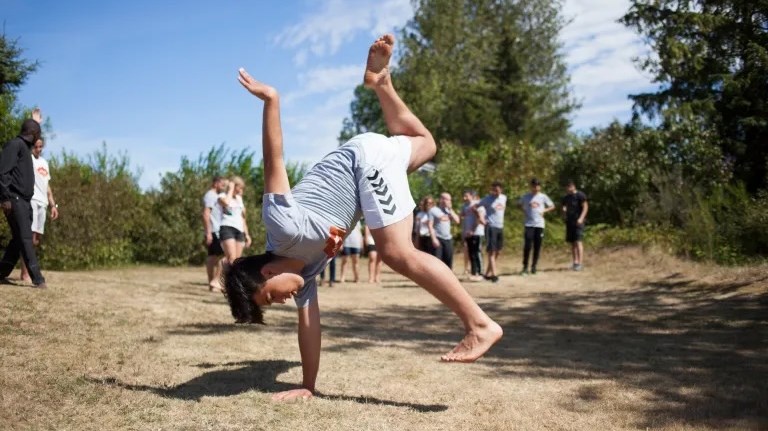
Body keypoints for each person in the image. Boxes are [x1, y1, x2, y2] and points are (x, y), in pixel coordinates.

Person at [224, 34, 502, 401]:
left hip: (362, 163)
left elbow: (273, 159)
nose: (281, 303)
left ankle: (480, 325)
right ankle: (381, 83)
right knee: (426, 143)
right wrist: (307, 386)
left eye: (269, 298)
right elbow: (309, 328)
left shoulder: (282, 225)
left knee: (395, 252)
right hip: (373, 165)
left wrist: (271, 100)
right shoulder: (303, 276)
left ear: (267, 273)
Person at [0, 109, 47, 288]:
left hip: (25, 201)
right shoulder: (14, 145)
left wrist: (35, 123)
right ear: (33, 135)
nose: (39, 139)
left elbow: (32, 133)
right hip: (15, 198)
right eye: (37, 135)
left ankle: (1, 272)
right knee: (26, 238)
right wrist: (5, 198)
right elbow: (3, 172)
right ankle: (37, 278)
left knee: (18, 239)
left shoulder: (24, 148)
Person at [19, 136, 59, 282]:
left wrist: (53, 205)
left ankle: (29, 269)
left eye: (41, 146)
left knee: (36, 240)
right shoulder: (28, 159)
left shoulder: (44, 163)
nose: (38, 149)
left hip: (43, 203)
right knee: (29, 238)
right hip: (32, 201)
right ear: (32, 146)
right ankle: (25, 273)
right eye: (36, 146)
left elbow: (47, 186)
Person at [519, 178, 555, 275]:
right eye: (534, 186)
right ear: (531, 186)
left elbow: (552, 206)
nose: (536, 187)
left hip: (539, 224)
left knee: (537, 246)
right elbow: (519, 204)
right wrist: (524, 210)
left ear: (540, 187)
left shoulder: (543, 197)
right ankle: (525, 266)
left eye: (538, 186)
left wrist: (544, 211)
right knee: (527, 246)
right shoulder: (526, 196)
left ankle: (534, 266)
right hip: (529, 224)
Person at [476, 181, 507, 283]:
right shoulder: (487, 199)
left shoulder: (504, 198)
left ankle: (487, 274)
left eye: (497, 190)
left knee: (498, 251)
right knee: (491, 251)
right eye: (494, 190)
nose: (496, 192)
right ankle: (494, 275)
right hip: (491, 227)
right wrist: (481, 218)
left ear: (501, 190)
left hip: (500, 227)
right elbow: (476, 207)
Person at [202, 176, 228, 292]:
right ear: (216, 183)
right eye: (222, 185)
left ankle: (212, 284)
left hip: (214, 230)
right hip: (215, 231)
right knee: (226, 256)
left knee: (212, 257)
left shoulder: (214, 196)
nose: (224, 187)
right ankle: (215, 283)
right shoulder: (211, 195)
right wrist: (208, 233)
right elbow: (206, 214)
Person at [218, 176, 251, 266]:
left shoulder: (239, 199)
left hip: (239, 230)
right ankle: (217, 279)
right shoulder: (222, 196)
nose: (240, 190)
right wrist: (230, 189)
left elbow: (243, 218)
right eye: (239, 187)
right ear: (233, 185)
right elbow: (226, 203)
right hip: (227, 228)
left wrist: (247, 235)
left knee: (237, 261)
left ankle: (231, 280)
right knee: (231, 258)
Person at [562, 180, 588, 271]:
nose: (568, 188)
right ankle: (575, 262)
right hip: (570, 222)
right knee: (572, 243)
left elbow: (585, 207)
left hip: (578, 221)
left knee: (578, 241)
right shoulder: (566, 197)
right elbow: (564, 206)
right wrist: (564, 213)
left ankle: (580, 263)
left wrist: (581, 218)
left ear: (573, 186)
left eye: (569, 186)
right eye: (567, 187)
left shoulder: (580, 195)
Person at [428, 192, 459, 269]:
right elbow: (430, 225)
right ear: (441, 200)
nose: (449, 201)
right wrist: (434, 239)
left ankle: (448, 279)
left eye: (450, 200)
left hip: (448, 239)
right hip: (438, 238)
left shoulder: (449, 211)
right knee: (437, 261)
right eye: (447, 199)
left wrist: (450, 209)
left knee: (448, 260)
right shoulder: (433, 210)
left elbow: (457, 221)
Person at [461, 190, 486, 281]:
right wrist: (465, 232)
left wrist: (472, 230)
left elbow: (479, 218)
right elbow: (463, 219)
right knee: (471, 253)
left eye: (466, 196)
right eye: (464, 196)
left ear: (472, 196)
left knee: (477, 253)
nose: (464, 198)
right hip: (468, 233)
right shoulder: (464, 206)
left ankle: (480, 273)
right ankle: (473, 272)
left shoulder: (477, 205)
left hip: (477, 232)